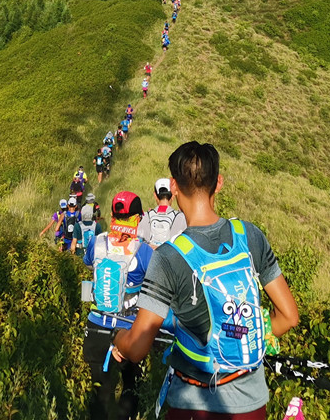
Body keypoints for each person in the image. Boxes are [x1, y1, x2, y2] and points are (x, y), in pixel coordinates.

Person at [109, 141, 299, 420]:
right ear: (218, 183)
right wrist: (239, 339)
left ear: (174, 187)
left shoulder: (168, 257)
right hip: (252, 405)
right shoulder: (249, 236)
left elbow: (137, 347)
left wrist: (119, 340)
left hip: (193, 405)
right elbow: (289, 316)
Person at [83, 191, 162, 420]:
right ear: (138, 218)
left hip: (96, 325)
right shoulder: (144, 251)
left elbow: (89, 264)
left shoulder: (97, 243)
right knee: (131, 385)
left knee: (100, 389)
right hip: (130, 328)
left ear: (112, 215)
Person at [139, 177, 187, 248]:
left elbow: (138, 242)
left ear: (155, 195)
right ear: (173, 196)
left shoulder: (144, 216)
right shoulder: (182, 218)